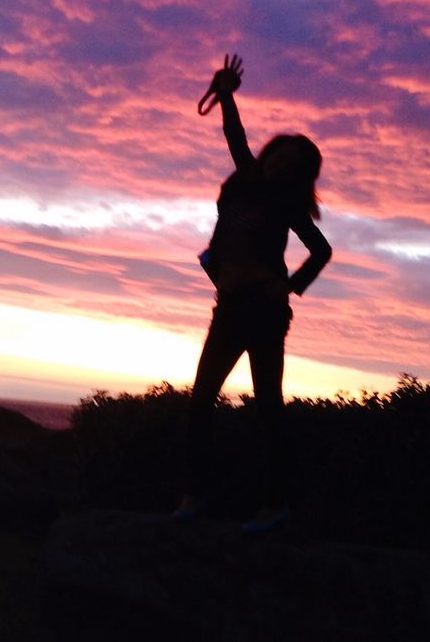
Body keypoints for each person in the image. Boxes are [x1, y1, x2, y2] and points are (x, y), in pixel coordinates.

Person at [176, 54, 332, 534]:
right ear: (271, 155)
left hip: (264, 311)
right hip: (230, 306)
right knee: (201, 401)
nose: (282, 162)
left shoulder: (283, 202)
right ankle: (196, 495)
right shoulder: (244, 179)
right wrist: (225, 94)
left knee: (267, 406)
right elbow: (236, 140)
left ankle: (276, 503)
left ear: (298, 177)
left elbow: (321, 249)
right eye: (281, 153)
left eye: (294, 164)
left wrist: (287, 286)